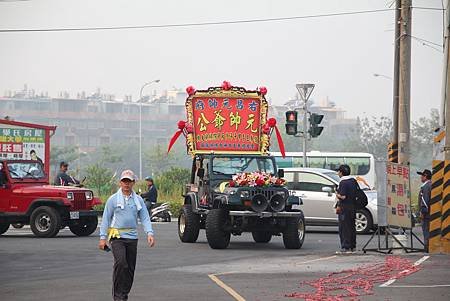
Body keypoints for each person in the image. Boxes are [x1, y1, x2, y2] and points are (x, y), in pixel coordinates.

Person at [99, 169, 155, 301]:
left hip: (132, 238)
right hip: (117, 237)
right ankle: (118, 296)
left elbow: (145, 218)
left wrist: (149, 233)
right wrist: (102, 238)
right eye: (124, 181)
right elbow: (106, 218)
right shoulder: (113, 200)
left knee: (130, 269)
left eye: (129, 181)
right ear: (120, 183)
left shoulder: (138, 200)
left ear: (133, 183)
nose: (126, 184)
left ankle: (124, 294)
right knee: (121, 263)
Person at [335, 164, 357, 254]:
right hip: (352, 207)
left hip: (344, 208)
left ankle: (345, 247)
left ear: (341, 172)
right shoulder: (353, 181)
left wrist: (337, 194)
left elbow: (343, 196)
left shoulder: (343, 182)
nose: (338, 173)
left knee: (344, 228)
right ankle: (352, 246)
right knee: (351, 227)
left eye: (338, 171)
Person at [417, 169, 431, 252]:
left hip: (426, 214)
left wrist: (422, 212)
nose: (420, 177)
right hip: (429, 213)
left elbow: (425, 201)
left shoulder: (425, 187)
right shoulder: (430, 185)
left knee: (426, 230)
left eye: (422, 175)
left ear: (425, 176)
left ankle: (427, 247)